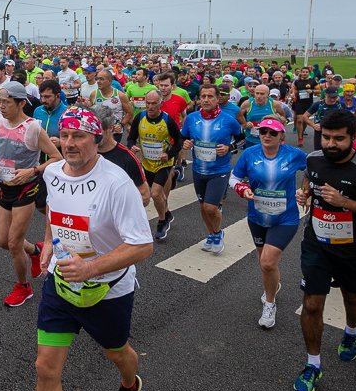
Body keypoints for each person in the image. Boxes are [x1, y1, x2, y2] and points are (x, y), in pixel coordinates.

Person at [12, 109, 153, 391]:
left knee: (117, 353)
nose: (70, 143)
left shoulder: (117, 183)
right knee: (45, 367)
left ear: (96, 138)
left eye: (79, 136)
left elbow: (143, 245)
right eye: (65, 135)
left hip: (107, 290)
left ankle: (129, 385)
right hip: (61, 284)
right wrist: (48, 244)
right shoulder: (54, 173)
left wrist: (91, 268)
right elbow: (55, 212)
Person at [293, 109, 356, 391]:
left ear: (353, 137)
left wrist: (344, 202)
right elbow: (309, 180)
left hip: (353, 248)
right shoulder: (313, 159)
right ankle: (313, 364)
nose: (330, 144)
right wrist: (305, 194)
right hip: (316, 243)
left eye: (338, 139)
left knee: (352, 295)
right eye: (326, 137)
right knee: (312, 303)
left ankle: (351, 332)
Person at [230, 117, 309, 329]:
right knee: (265, 263)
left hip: (285, 218)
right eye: (263, 131)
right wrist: (242, 189)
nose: (267, 135)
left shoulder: (293, 154)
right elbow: (234, 178)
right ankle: (273, 285)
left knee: (267, 262)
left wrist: (306, 191)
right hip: (257, 217)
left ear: (282, 136)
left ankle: (270, 304)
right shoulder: (250, 153)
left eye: (273, 133)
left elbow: (314, 169)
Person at [0, 82, 61, 308]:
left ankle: (23, 287)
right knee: (2, 241)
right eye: (0, 102)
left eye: (7, 102)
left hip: (26, 189)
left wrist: (33, 171)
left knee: (13, 244)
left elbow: (57, 158)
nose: (1, 106)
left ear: (21, 103)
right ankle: (35, 250)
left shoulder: (32, 128)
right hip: (5, 187)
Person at [181, 84, 243, 253]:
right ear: (199, 99)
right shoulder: (191, 118)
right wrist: (185, 143)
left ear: (217, 99)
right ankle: (212, 234)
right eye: (203, 96)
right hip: (198, 170)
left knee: (210, 207)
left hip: (219, 171)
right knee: (203, 207)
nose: (206, 100)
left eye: (210, 96)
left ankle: (217, 233)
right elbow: (182, 138)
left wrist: (229, 148)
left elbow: (242, 140)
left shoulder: (228, 120)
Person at [127, 91, 184, 242]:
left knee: (155, 193)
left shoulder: (167, 120)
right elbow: (131, 138)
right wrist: (132, 146)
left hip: (163, 164)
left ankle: (162, 221)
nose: (150, 107)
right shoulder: (140, 117)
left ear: (161, 103)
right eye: (148, 103)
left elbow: (179, 141)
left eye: (154, 103)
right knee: (153, 195)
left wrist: (169, 154)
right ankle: (167, 213)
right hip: (147, 164)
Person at [90, 103, 150, 205]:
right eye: (91, 131)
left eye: (99, 131)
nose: (94, 136)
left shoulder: (127, 158)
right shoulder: (86, 153)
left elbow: (145, 196)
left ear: (111, 128)